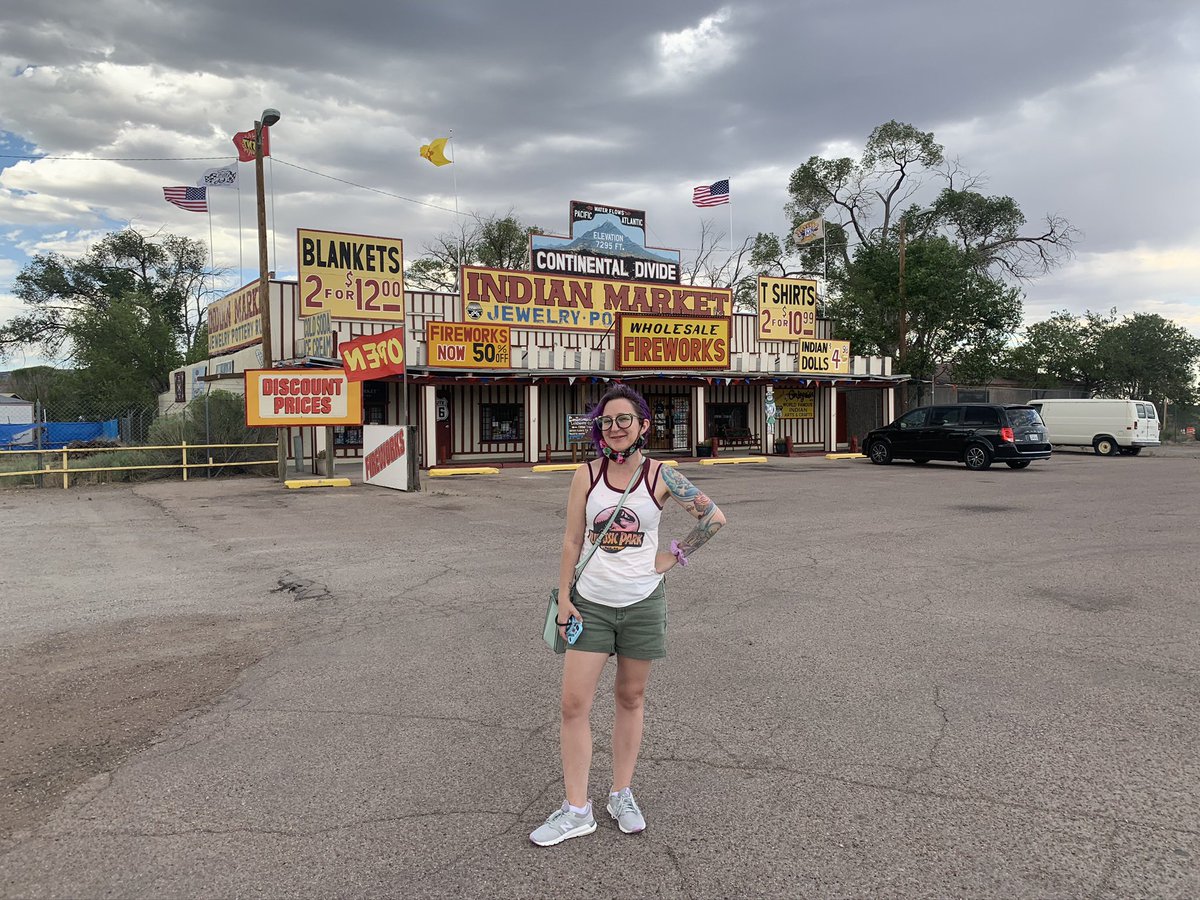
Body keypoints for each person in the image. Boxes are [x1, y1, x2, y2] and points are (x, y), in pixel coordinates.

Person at [530, 384, 727, 846]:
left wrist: (673, 555)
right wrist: (564, 599)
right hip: (591, 605)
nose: (615, 428)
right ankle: (577, 809)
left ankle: (621, 792)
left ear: (642, 425)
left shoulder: (662, 476)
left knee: (631, 699)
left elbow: (714, 517)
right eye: (606, 421)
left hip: (643, 604)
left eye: (624, 420)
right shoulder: (586, 475)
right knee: (574, 704)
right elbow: (571, 541)